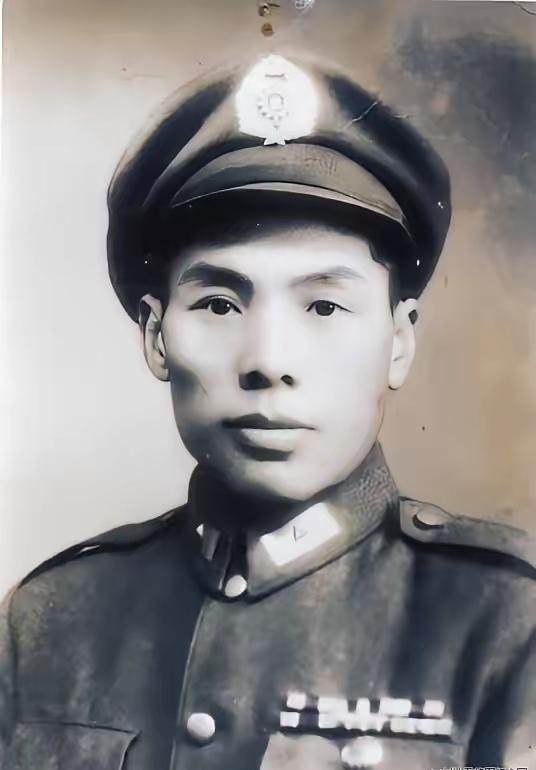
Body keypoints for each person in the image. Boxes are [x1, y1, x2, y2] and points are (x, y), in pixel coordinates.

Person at [0, 54, 534, 770]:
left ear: (399, 341)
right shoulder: (46, 620)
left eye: (324, 306)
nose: (268, 360)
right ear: (156, 337)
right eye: (220, 304)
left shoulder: (508, 622)